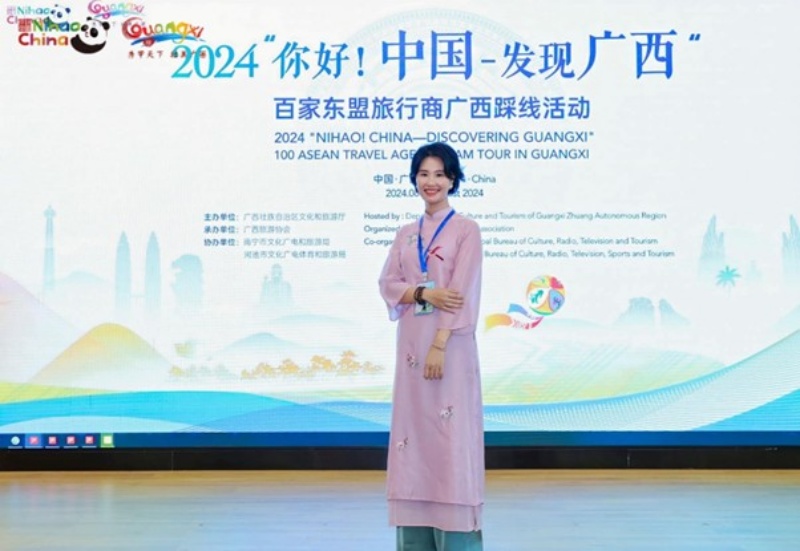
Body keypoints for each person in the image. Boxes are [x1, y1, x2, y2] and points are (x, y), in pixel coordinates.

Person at [379, 142, 484, 550]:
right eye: (423, 174)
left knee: (450, 435)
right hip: (411, 351)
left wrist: (440, 343)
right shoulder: (405, 235)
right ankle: (416, 536)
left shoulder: (466, 230)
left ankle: (456, 536)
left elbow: (462, 293)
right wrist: (424, 292)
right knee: (413, 435)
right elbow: (388, 284)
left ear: (453, 179)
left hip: (450, 347)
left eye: (440, 174)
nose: (431, 182)